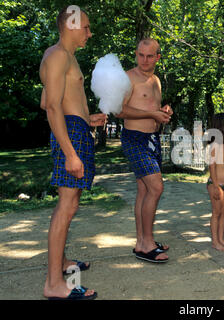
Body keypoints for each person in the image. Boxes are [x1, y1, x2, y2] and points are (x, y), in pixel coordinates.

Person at [39, 5, 106, 300]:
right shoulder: (56, 56)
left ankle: (62, 263)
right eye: (86, 28)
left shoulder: (67, 58)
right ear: (71, 25)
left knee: (71, 204)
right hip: (69, 137)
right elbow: (52, 108)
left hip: (76, 129)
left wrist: (85, 118)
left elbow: (48, 100)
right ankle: (54, 284)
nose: (89, 33)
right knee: (65, 207)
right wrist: (70, 153)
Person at [119, 38, 173, 263]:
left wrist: (163, 112)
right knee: (156, 188)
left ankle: (142, 242)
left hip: (152, 138)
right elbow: (118, 111)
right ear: (136, 54)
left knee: (144, 191)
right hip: (134, 139)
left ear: (158, 57)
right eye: (140, 55)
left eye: (150, 56)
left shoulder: (156, 81)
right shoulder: (127, 78)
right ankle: (148, 244)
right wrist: (152, 115)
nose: (144, 60)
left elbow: (152, 109)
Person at [206, 113, 224, 251]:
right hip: (215, 184)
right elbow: (212, 167)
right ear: (221, 128)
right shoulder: (215, 146)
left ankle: (221, 238)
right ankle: (215, 241)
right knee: (216, 212)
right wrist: (216, 186)